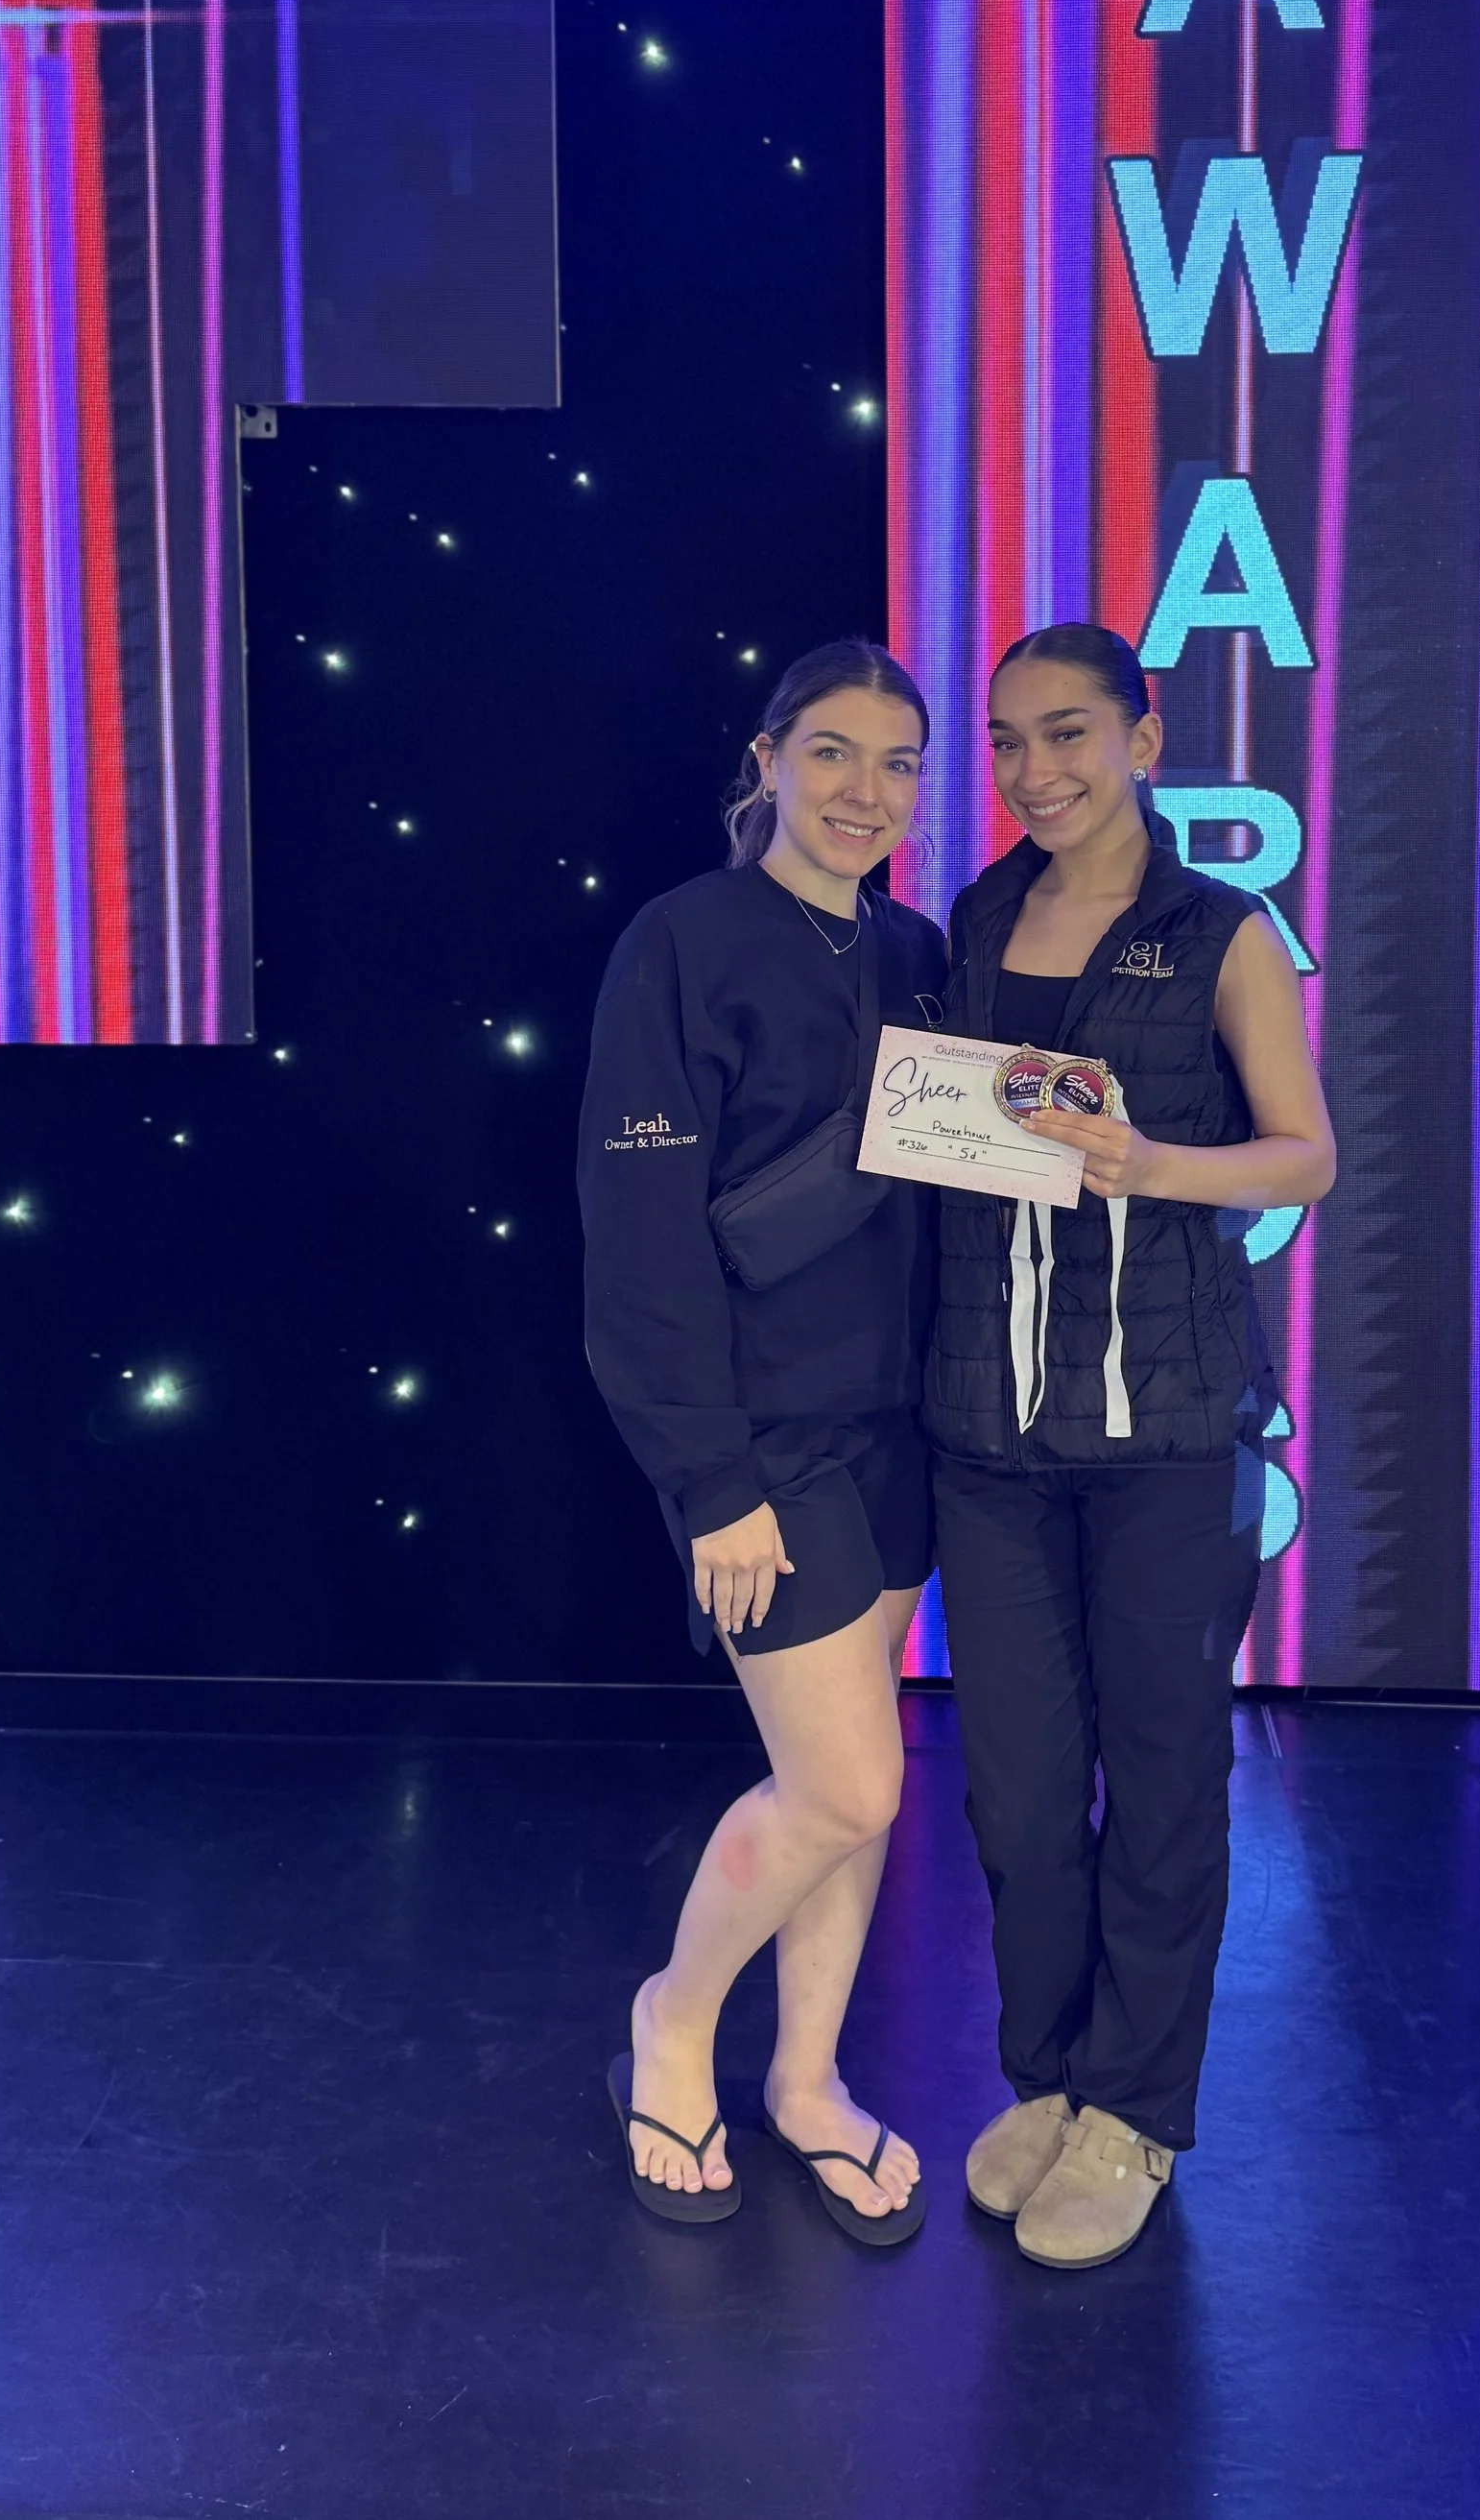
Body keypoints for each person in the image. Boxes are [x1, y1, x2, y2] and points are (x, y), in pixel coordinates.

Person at [926, 622, 1337, 2269]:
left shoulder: (1222, 927)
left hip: (1167, 1433)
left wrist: (1151, 1162)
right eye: (1013, 742)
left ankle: (1139, 2113)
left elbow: (1306, 1159)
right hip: (984, 1427)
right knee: (1020, 1798)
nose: (1039, 771)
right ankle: (1049, 2079)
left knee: (1162, 1786)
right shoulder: (969, 919)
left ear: (1147, 739)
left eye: (1072, 732)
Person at [578, 639, 946, 2244]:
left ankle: (805, 2082)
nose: (868, 793)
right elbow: (639, 1232)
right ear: (770, 757)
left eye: (899, 764)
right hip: (761, 1450)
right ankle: (674, 2019)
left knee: (852, 1797)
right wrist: (709, 1481)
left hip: (902, 1435)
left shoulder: (924, 954)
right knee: (852, 1784)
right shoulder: (681, 942)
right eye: (836, 755)